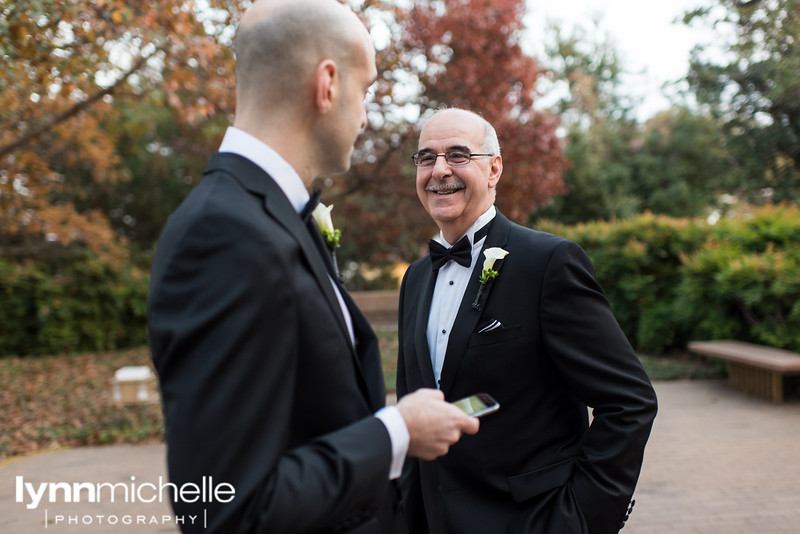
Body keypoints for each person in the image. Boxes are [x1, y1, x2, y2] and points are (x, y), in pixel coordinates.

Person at [147, 3, 478, 533]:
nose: (366, 115)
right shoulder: (223, 234)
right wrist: (395, 432)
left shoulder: (274, 216)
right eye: (366, 90)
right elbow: (221, 507)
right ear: (327, 83)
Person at [396, 108, 658, 534]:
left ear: (494, 168)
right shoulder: (416, 278)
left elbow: (629, 401)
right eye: (426, 158)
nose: (439, 170)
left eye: (458, 155)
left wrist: (583, 518)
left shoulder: (548, 263)